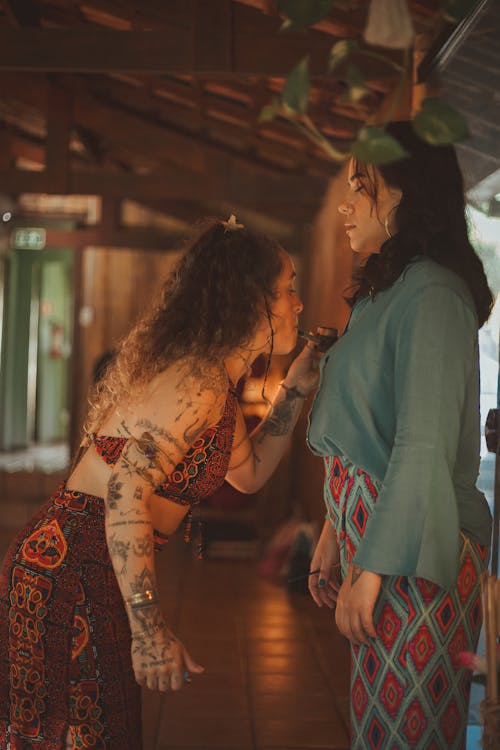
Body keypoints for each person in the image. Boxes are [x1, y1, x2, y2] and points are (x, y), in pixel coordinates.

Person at [0, 218, 318, 750]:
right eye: (288, 288)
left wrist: (295, 391)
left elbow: (249, 472)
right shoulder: (193, 382)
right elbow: (125, 491)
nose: (299, 303)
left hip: (86, 565)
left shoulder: (214, 383)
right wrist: (149, 631)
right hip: (70, 568)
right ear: (251, 299)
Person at [307, 121, 493, 749]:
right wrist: (336, 531)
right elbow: (364, 435)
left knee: (406, 733)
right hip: (376, 544)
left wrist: (373, 567)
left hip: (417, 550)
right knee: (378, 727)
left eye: (363, 187)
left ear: (408, 194)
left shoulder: (435, 292)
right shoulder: (385, 290)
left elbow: (421, 445)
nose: (345, 203)